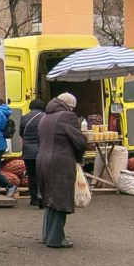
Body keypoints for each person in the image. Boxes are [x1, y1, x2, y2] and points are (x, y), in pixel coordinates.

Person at [36, 92, 86, 248]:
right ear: (70, 106)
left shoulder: (45, 116)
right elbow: (79, 141)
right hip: (60, 161)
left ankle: (47, 235)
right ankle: (56, 239)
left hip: (42, 159)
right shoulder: (67, 116)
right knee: (60, 199)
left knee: (50, 198)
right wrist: (78, 158)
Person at [20, 98, 46, 209]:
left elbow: (22, 133)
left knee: (31, 175)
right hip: (41, 150)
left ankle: (33, 198)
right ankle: (42, 195)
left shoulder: (24, 117)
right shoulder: (45, 117)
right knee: (42, 175)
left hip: (27, 151)